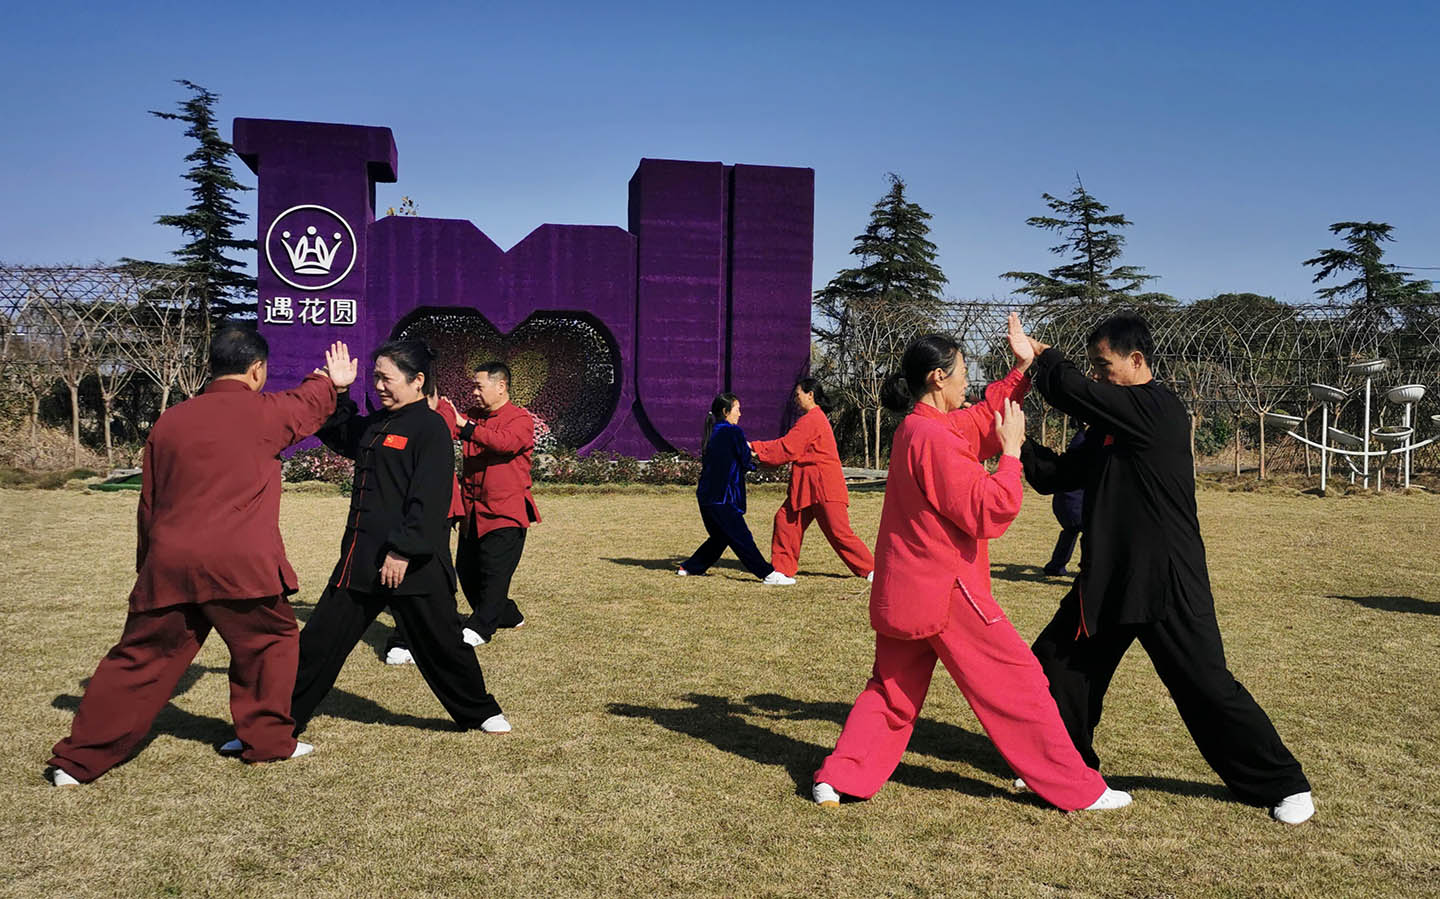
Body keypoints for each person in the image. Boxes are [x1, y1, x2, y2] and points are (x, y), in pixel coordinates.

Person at [1010, 311, 1314, 824]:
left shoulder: (1157, 408)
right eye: (1092, 367)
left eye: (1103, 366)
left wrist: (1040, 355)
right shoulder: (1108, 426)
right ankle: (1065, 767)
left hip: (1167, 579)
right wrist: (1017, 447)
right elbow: (1058, 476)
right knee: (1058, 668)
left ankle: (1283, 783)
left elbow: (1069, 389)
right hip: (1108, 577)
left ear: (1136, 360)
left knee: (1204, 686)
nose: (1098, 376)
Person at [812, 332, 1130, 813]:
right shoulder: (935, 438)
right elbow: (989, 510)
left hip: (906, 588)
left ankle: (839, 777)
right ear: (938, 377)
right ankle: (1078, 789)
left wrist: (1023, 370)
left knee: (891, 692)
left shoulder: (921, 427)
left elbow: (982, 415)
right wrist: (1012, 454)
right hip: (947, 590)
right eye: (963, 372)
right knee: (1020, 684)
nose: (969, 381)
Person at [46, 326, 353, 785]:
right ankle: (267, 741)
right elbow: (308, 405)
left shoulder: (170, 421)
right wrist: (331, 380)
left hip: (170, 562)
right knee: (270, 644)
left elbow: (148, 500)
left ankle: (77, 761)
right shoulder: (263, 413)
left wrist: (147, 565)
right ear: (256, 370)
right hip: (240, 566)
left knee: (139, 659)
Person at [280, 340, 510, 740]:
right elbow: (339, 431)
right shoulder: (376, 423)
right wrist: (338, 390)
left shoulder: (430, 428)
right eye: (376, 378)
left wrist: (403, 551)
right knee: (317, 644)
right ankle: (279, 721)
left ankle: (479, 711)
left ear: (417, 380)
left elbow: (430, 497)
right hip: (362, 561)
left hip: (413, 564)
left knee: (443, 645)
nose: (380, 386)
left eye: (387, 378)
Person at [432, 361, 540, 647]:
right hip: (472, 512)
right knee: (467, 572)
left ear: (501, 387)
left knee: (494, 573)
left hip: (505, 513)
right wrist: (433, 402)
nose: (474, 392)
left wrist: (465, 426)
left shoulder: (520, 419)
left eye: (479, 386)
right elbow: (450, 421)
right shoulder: (473, 416)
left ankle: (481, 627)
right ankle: (507, 614)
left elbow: (503, 443)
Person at [750, 379, 874, 583]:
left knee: (839, 532)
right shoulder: (813, 419)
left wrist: (755, 447)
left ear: (810, 395)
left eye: (798, 395)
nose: (796, 400)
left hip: (823, 486)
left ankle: (870, 569)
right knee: (786, 521)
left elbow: (788, 448)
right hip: (807, 487)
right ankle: (781, 570)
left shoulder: (812, 419)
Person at [677, 393, 788, 584]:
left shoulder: (713, 432)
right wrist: (767, 463)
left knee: (720, 537)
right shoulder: (733, 432)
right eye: (737, 409)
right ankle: (767, 574)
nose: (740, 413)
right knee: (741, 536)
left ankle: (690, 567)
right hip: (723, 497)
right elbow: (746, 460)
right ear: (725, 411)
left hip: (706, 495)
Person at [1041, 422, 1088, 577]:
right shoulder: (1082, 445)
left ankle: (1055, 566)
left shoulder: (1078, 443)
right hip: (1072, 501)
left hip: (1065, 501)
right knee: (1088, 533)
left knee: (1071, 531)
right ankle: (1089, 568)